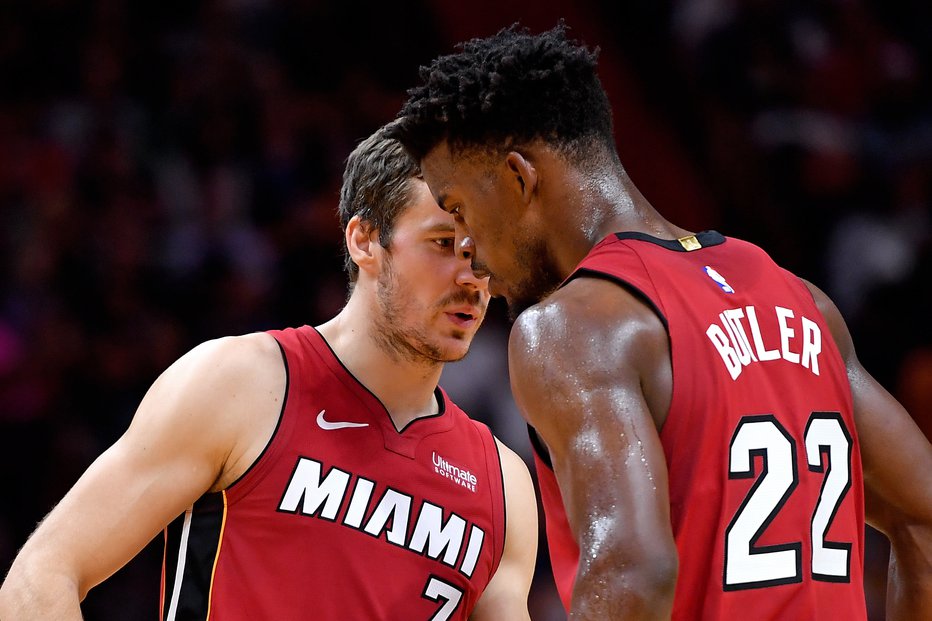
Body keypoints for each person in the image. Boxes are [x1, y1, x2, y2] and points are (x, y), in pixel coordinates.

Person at [387, 23, 932, 620]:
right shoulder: (800, 298)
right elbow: (922, 517)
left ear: (520, 176)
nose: (468, 248)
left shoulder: (573, 327)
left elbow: (633, 573)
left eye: (460, 208)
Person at [0, 124, 538, 620]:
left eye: (482, 250)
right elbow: (42, 574)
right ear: (365, 241)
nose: (473, 277)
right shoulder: (241, 383)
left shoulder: (504, 485)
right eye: (444, 244)